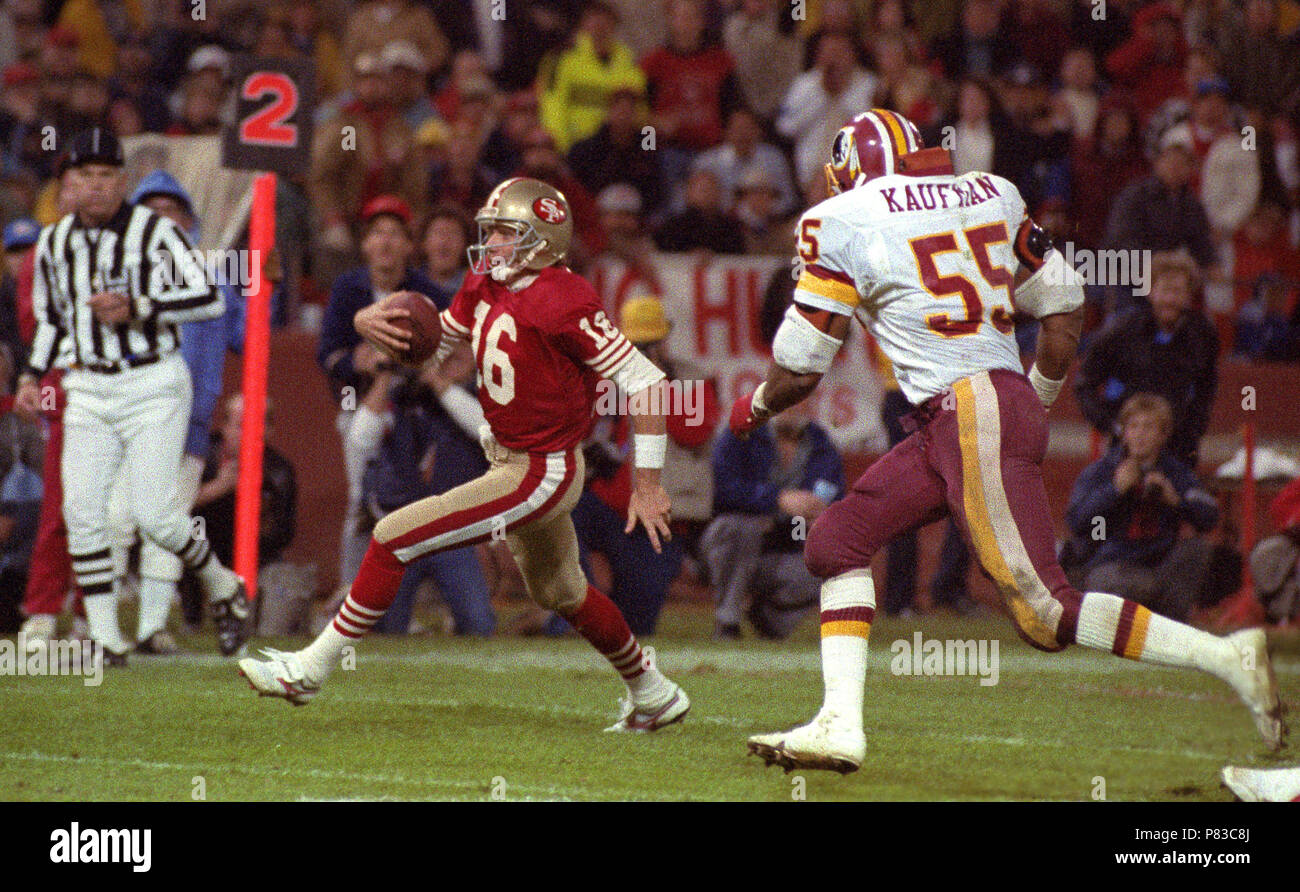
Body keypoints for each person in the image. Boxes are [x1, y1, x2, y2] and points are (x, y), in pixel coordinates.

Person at [731, 109, 1283, 773]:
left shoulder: (840, 220)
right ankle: (839, 724)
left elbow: (797, 370)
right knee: (834, 541)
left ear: (849, 171)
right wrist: (1036, 401)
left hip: (967, 412)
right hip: (966, 413)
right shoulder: (984, 194)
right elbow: (1067, 305)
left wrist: (752, 406)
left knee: (1046, 612)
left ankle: (1227, 657)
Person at [239, 177, 691, 733]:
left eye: (506, 231)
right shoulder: (488, 280)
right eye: (492, 230)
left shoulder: (563, 297)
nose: (492, 242)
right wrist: (366, 322)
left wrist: (647, 482)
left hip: (541, 468)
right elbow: (438, 341)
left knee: (393, 535)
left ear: (543, 239)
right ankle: (653, 690)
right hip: (509, 458)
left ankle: (308, 669)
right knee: (562, 591)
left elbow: (645, 382)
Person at [13, 127, 248, 663]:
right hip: (88, 384)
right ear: (68, 183)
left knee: (155, 515)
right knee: (83, 512)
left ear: (121, 180)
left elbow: (209, 296)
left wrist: (140, 306)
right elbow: (52, 321)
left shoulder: (153, 232)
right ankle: (105, 637)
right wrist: (29, 376)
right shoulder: (52, 241)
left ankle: (223, 586)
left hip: (151, 381)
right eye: (84, 176)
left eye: (105, 176)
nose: (95, 187)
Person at [106, 169, 243, 655]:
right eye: (152, 211)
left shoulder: (214, 280)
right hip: (124, 414)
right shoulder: (117, 274)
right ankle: (105, 623)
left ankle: (151, 628)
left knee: (167, 521)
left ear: (190, 222)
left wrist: (268, 286)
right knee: (115, 516)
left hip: (189, 422)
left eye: (173, 212)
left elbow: (247, 340)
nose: (163, 220)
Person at [318, 195, 449, 590]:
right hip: (359, 402)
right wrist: (356, 364)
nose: (386, 242)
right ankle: (351, 589)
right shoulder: (347, 288)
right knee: (361, 497)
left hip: (416, 412)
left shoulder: (427, 291)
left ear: (411, 245)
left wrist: (413, 362)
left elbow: (454, 348)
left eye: (395, 234)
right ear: (365, 244)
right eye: (377, 233)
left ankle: (409, 594)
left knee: (415, 500)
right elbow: (327, 354)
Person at [1064, 394, 1220, 622]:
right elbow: (1075, 520)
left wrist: (1175, 500)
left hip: (1157, 565)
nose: (1140, 435)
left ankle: (1169, 632)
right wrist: (1114, 490)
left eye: (1149, 427)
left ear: (1163, 435)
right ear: (1124, 433)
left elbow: (1210, 516)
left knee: (1196, 550)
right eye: (1133, 427)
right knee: (1116, 584)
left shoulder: (1175, 473)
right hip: (1108, 565)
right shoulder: (1102, 471)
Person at [704, 407, 842, 640]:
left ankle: (770, 622)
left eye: (801, 395)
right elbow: (721, 490)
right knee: (738, 528)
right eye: (787, 393)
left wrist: (817, 519)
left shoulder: (821, 444)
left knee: (831, 562)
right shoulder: (741, 432)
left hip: (786, 544)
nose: (792, 404)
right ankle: (727, 621)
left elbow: (834, 499)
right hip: (728, 547)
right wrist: (776, 499)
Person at [1075, 251, 1219, 466]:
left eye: (1178, 291)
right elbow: (1084, 384)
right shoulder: (1123, 330)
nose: (1170, 299)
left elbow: (1206, 388)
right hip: (1127, 445)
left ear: (1189, 295)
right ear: (1150, 291)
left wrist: (1194, 428)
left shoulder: (1202, 334)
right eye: (1165, 290)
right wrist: (1113, 425)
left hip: (1178, 446)